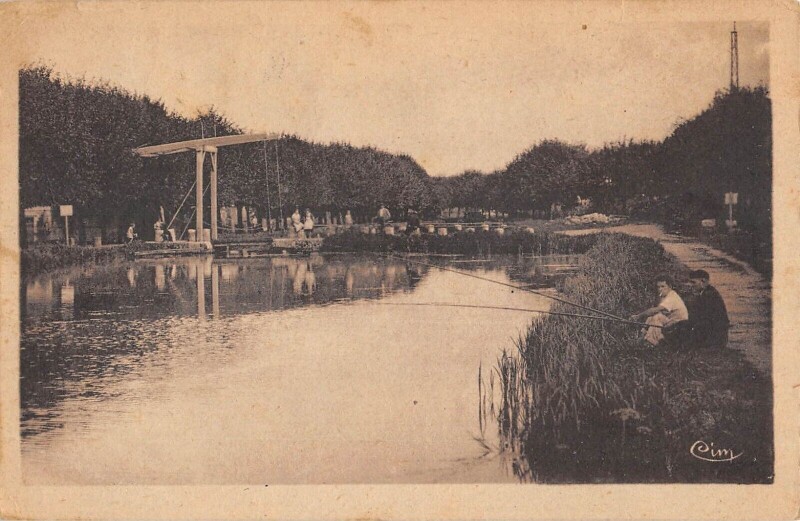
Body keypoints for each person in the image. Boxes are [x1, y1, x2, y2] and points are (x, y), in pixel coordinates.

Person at [630, 274, 690, 347]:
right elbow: (654, 310)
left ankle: (651, 343)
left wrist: (638, 316)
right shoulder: (664, 295)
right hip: (671, 321)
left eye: (663, 286)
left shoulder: (672, 297)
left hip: (680, 324)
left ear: (670, 287)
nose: (660, 289)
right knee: (652, 317)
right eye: (658, 287)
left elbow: (654, 310)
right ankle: (642, 338)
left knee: (657, 317)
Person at [687, 269, 730, 349]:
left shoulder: (709, 295)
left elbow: (704, 319)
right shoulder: (706, 292)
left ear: (703, 281)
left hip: (715, 338)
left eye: (693, 282)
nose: (691, 285)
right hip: (714, 333)